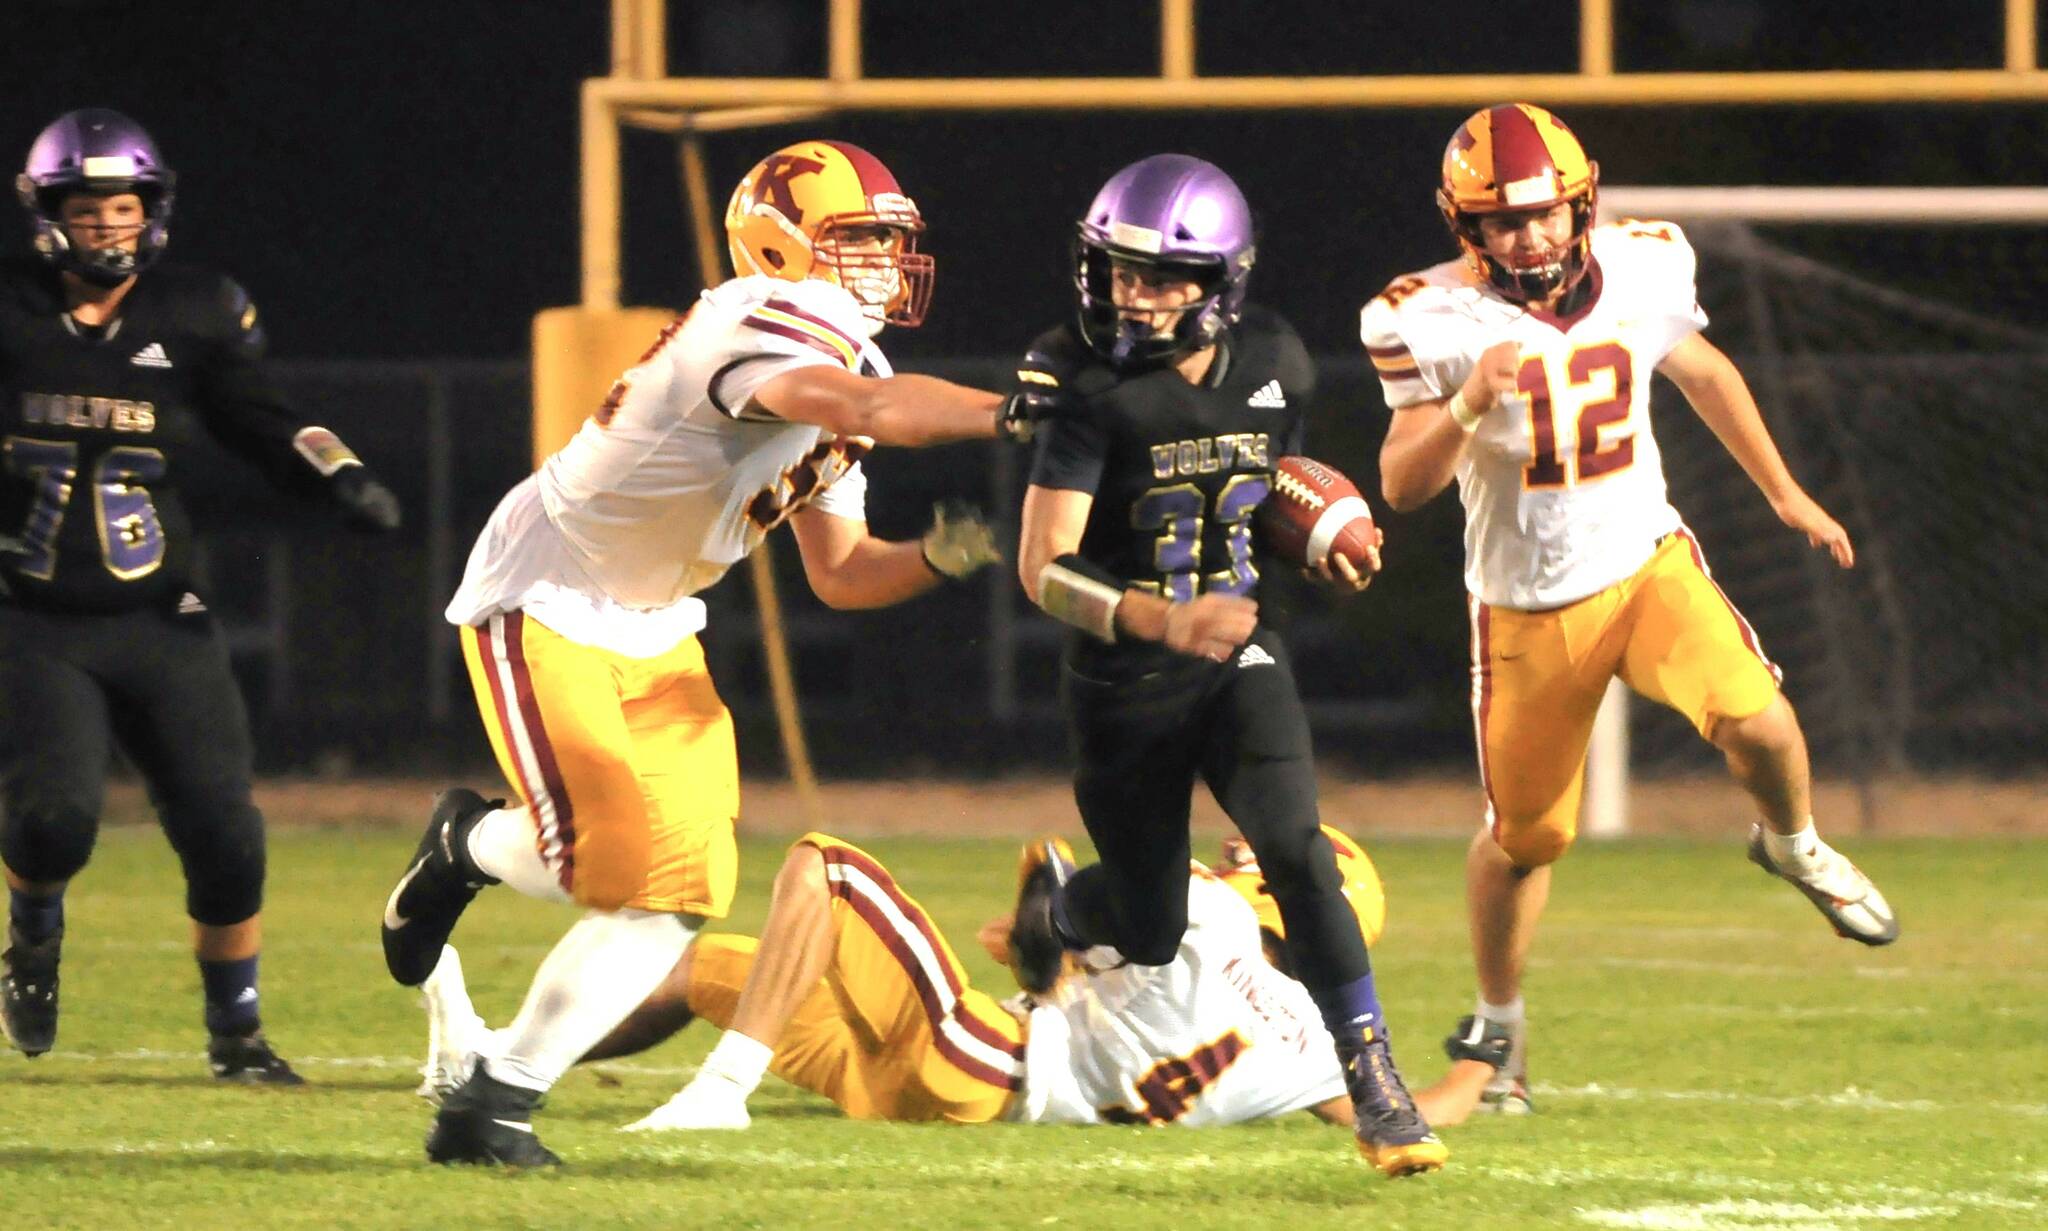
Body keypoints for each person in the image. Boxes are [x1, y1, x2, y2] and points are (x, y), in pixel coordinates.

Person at [379, 139, 1046, 1168]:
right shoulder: (754, 320)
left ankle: (492, 1102)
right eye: (856, 240)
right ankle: (464, 845)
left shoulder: (842, 364)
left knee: (681, 892)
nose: (882, 263)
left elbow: (841, 571)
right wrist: (1010, 411)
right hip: (549, 595)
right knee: (597, 864)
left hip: (657, 624)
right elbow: (869, 409)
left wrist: (939, 560)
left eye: (886, 242)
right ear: (780, 248)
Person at [1366, 103, 1900, 1114]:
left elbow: (1700, 367)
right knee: (1525, 839)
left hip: (1643, 566)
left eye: (1544, 214)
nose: (1528, 236)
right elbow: (1399, 484)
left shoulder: (1647, 263)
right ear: (1463, 228)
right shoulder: (1421, 315)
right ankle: (1499, 1024)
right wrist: (1471, 400)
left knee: (1760, 720)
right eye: (1502, 220)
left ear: (1582, 203)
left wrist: (1781, 492)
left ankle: (1789, 842)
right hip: (1523, 611)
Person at [999, 153, 1444, 1179]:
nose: (1133, 296)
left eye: (1159, 279)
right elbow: (1039, 569)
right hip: (1122, 683)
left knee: (1298, 850)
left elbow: (1262, 484)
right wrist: (1158, 620)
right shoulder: (1081, 377)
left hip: (1237, 652)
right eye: (1116, 272)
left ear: (1219, 285)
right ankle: (1059, 909)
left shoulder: (1275, 358)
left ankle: (1373, 1078)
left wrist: (1320, 536)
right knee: (1148, 928)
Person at [0, 110, 402, 1082]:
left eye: (124, 207)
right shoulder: (10, 312)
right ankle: (34, 930)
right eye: (88, 208)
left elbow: (269, 421)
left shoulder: (195, 312)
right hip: (33, 611)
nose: (107, 227)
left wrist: (341, 475)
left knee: (226, 831)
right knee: (54, 819)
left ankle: (239, 1040)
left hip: (160, 613)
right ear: (49, 214)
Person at [413, 828, 1512, 1134]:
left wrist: (1043, 909)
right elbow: (1411, 1113)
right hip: (932, 1088)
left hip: (976, 1054)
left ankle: (722, 1092)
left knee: (824, 866)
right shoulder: (1316, 1048)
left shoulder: (1206, 907)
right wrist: (1477, 1058)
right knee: (711, 967)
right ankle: (491, 1064)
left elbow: (1028, 916)